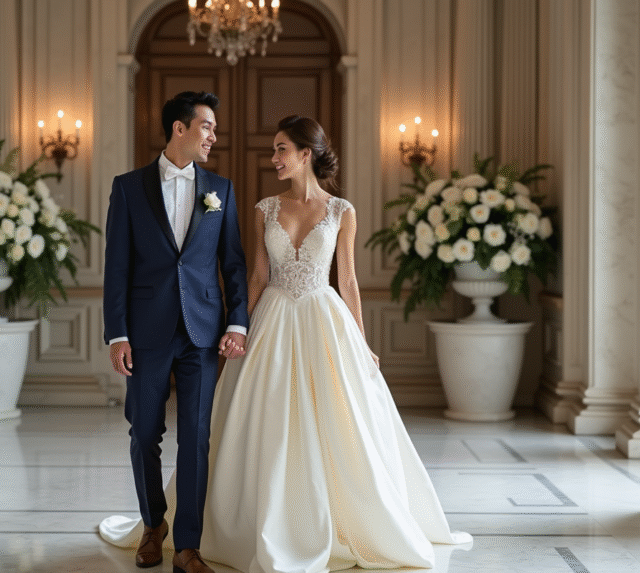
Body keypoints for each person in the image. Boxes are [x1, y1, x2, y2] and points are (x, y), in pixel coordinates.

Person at [100, 115, 470, 571]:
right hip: (271, 318)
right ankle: (218, 524)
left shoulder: (342, 211)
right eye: (273, 149)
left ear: (305, 154)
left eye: (280, 150)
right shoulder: (265, 209)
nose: (273, 158)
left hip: (322, 316)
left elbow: (349, 280)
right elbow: (256, 276)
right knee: (257, 421)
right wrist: (236, 328)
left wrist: (361, 340)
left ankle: (327, 519)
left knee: (335, 422)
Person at [102, 91, 249, 573]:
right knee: (144, 432)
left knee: (197, 437)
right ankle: (153, 524)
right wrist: (116, 333)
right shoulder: (128, 188)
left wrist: (236, 320)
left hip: (203, 332)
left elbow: (233, 263)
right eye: (206, 126)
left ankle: (187, 544)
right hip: (145, 331)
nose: (213, 135)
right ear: (179, 129)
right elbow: (116, 266)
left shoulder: (220, 190)